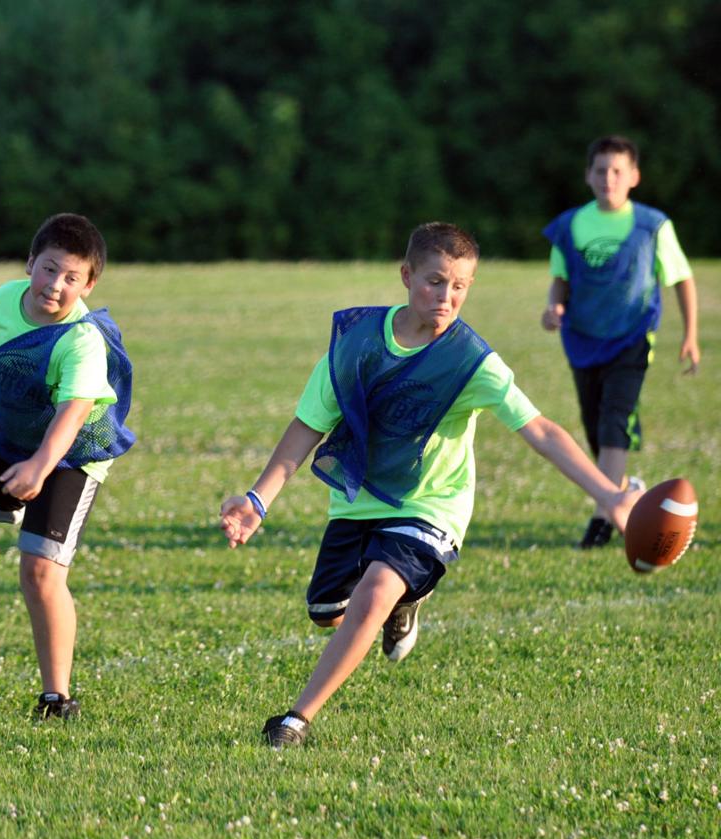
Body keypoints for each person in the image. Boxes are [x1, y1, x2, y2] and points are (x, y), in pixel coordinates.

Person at [220, 223, 640, 749]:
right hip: (361, 498)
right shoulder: (358, 344)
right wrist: (258, 499)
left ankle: (295, 720)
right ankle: (404, 603)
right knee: (327, 613)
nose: (447, 297)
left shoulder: (471, 361)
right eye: (435, 282)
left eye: (461, 286)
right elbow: (308, 425)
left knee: (373, 593)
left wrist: (609, 495)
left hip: (432, 506)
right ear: (405, 275)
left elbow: (541, 430)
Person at [0, 213, 135, 719]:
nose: (55, 286)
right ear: (29, 264)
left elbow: (73, 412)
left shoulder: (81, 338)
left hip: (72, 452)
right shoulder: (3, 299)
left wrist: (40, 466)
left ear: (89, 284)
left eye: (71, 278)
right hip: (21, 434)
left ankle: (56, 697)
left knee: (39, 570)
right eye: (48, 269)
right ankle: (17, 502)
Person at [541, 135, 700, 548]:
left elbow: (682, 278)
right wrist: (553, 307)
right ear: (587, 175)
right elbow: (560, 280)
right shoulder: (571, 225)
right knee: (595, 427)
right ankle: (624, 486)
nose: (608, 178)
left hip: (632, 337)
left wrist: (691, 335)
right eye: (600, 170)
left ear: (634, 177)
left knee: (615, 421)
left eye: (617, 171)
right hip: (582, 338)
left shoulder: (653, 225)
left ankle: (603, 519)